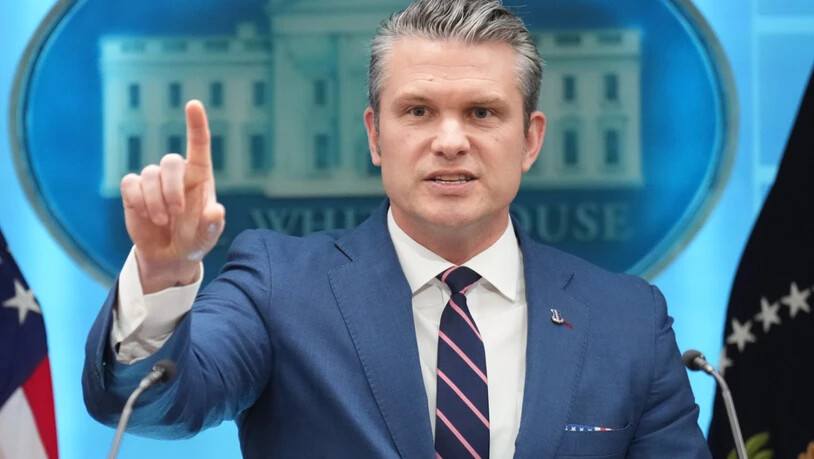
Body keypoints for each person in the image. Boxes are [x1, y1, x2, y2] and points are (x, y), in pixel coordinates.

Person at [83, 0, 712, 457]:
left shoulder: (628, 320)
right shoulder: (280, 288)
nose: (449, 141)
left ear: (530, 139)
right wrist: (164, 275)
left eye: (482, 112)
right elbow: (161, 404)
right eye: (418, 111)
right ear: (375, 135)